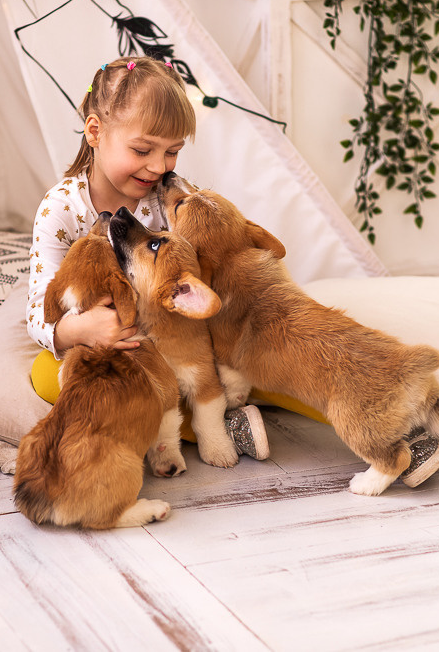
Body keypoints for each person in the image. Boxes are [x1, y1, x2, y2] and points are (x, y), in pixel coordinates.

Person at [25, 55, 270, 461]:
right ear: (95, 132)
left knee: (253, 354)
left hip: (179, 342)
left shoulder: (169, 196)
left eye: (172, 151)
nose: (159, 167)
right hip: (123, 351)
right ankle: (207, 421)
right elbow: (38, 312)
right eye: (142, 150)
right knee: (47, 378)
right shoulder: (60, 210)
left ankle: (216, 415)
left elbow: (212, 264)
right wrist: (80, 330)